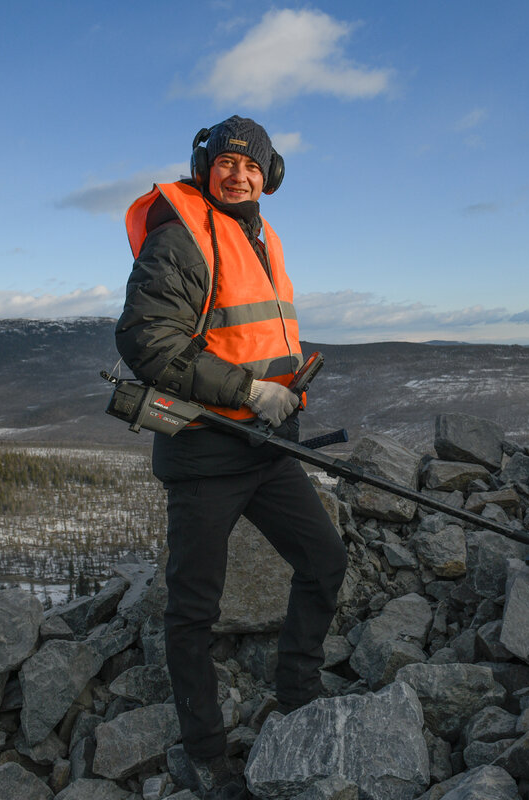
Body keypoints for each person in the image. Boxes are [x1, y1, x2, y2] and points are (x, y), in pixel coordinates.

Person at [115, 116, 348, 796]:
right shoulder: (181, 234)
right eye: (226, 162)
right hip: (205, 460)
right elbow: (147, 341)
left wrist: (282, 387)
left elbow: (245, 334)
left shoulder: (260, 236)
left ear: (269, 176)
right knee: (194, 613)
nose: (239, 173)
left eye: (252, 165)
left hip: (267, 451)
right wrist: (248, 390)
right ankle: (206, 752)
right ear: (204, 167)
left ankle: (297, 691)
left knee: (325, 561)